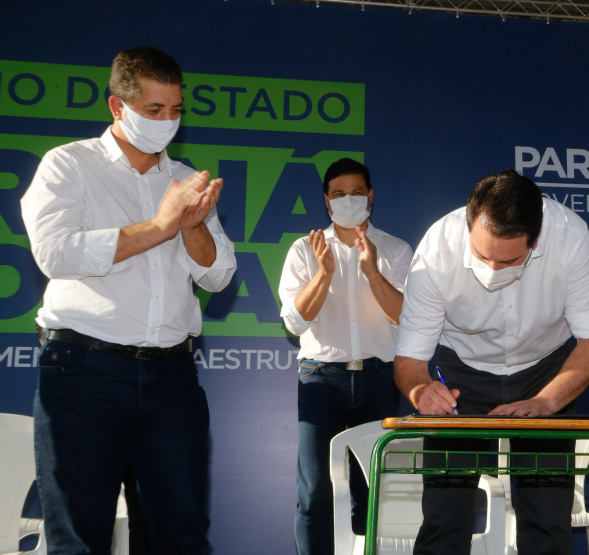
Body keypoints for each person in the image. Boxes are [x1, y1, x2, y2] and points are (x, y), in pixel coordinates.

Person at [20, 46, 236, 554]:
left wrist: (191, 226)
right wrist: (160, 227)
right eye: (154, 111)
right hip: (83, 373)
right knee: (80, 537)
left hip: (172, 380)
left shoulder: (186, 180)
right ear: (117, 107)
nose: (167, 122)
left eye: (176, 111)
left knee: (181, 535)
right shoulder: (69, 165)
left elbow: (220, 275)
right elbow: (55, 253)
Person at [394, 169, 589, 555]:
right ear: (469, 224)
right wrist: (421, 391)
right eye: (481, 255)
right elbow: (410, 360)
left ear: (536, 238)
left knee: (547, 520)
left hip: (548, 373)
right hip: (460, 377)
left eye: (510, 261)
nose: (492, 271)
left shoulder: (570, 236)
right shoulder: (436, 249)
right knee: (444, 518)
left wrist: (547, 402)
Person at [277, 157, 412, 555]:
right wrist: (324, 273)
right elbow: (294, 323)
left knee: (372, 492)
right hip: (321, 380)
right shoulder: (305, 250)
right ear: (326, 201)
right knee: (316, 491)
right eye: (339, 194)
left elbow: (408, 320)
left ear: (370, 197)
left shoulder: (396, 250)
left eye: (356, 193)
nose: (348, 200)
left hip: (379, 380)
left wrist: (371, 271)